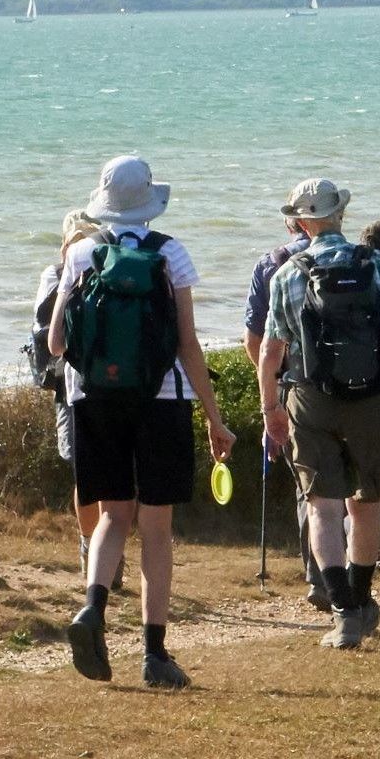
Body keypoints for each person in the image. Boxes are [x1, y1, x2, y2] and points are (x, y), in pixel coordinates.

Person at [48, 155, 236, 690]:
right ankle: (155, 653)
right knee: (156, 528)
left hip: (94, 399)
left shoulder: (82, 252)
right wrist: (214, 416)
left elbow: (58, 342)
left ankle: (92, 610)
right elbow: (188, 343)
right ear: (150, 201)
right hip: (162, 399)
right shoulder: (170, 253)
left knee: (111, 515)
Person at [258, 178, 380, 650]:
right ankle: (360, 598)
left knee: (323, 507)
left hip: (311, 400)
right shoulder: (376, 264)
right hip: (373, 399)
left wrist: (270, 407)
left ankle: (343, 614)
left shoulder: (288, 273)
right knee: (367, 503)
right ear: (340, 215)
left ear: (301, 221)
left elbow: (272, 352)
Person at [242, 216, 331, 611]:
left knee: (309, 485)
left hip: (295, 386)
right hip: (355, 387)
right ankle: (349, 572)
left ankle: (319, 575)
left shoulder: (270, 264)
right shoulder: (354, 261)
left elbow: (254, 339)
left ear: (292, 223)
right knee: (350, 486)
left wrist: (272, 389)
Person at [31, 209, 112, 577]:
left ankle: (98, 546)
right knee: (88, 471)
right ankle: (93, 544)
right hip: (86, 383)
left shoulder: (62, 273)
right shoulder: (58, 275)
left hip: (87, 384)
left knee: (95, 471)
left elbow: (44, 336)